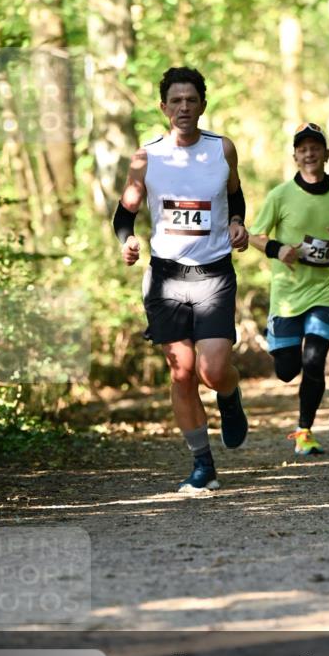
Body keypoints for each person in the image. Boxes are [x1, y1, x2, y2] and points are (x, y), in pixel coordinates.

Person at [113, 66, 249, 493]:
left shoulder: (222, 149)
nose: (184, 108)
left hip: (213, 275)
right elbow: (125, 213)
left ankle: (229, 397)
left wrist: (239, 223)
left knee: (212, 370)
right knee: (181, 373)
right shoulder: (147, 156)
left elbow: (235, 195)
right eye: (176, 101)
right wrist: (127, 240)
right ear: (163, 108)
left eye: (191, 100)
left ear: (203, 105)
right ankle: (202, 465)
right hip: (166, 277)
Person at [250, 123, 329, 456]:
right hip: (288, 294)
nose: (309, 154)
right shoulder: (280, 196)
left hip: (326, 291)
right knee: (288, 371)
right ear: (295, 156)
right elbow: (254, 235)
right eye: (302, 149)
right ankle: (276, 338)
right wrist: (278, 250)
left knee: (315, 361)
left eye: (314, 148)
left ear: (326, 154)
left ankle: (304, 431)